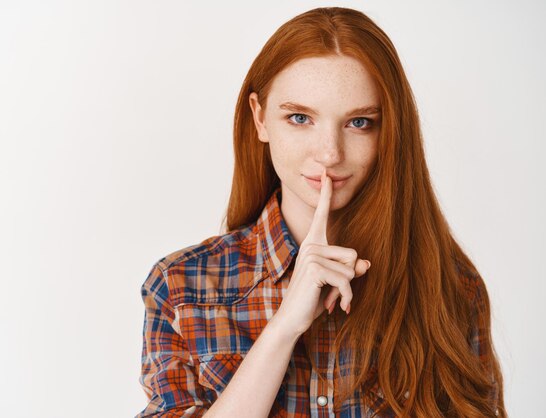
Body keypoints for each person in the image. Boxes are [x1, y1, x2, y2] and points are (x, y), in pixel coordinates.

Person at [137, 6, 506, 417]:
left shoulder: (450, 286)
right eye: (300, 118)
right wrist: (283, 329)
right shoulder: (182, 288)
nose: (330, 153)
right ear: (260, 119)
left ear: (390, 131)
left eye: (360, 123)